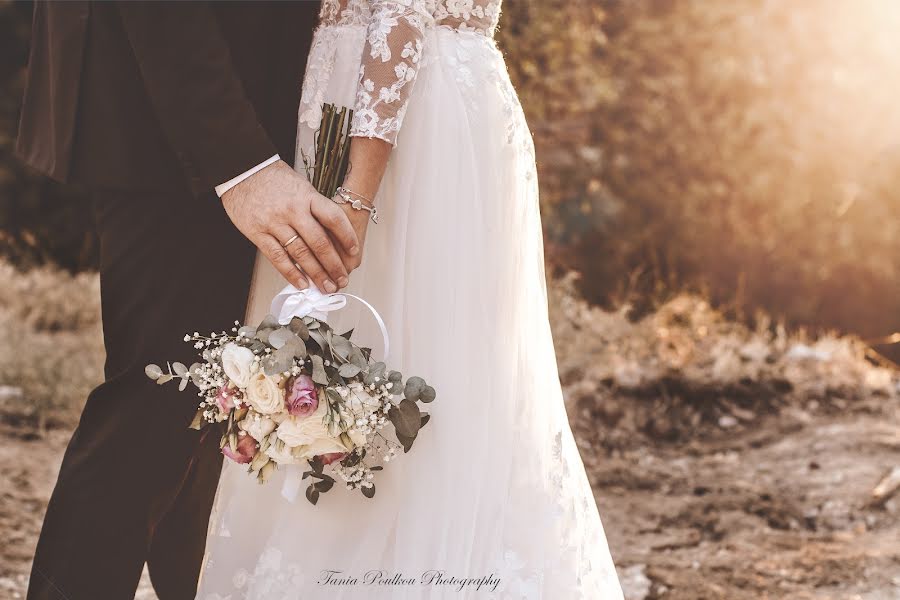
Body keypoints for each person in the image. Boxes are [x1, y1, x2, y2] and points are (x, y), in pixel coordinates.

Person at [198, 1, 624, 598]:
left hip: (398, 116)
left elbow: (401, 12)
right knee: (417, 358)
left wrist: (357, 195)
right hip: (424, 94)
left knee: (381, 341)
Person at [15, 2, 367, 598]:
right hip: (177, 117)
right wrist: (240, 164)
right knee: (161, 409)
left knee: (217, 428)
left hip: (273, 114)